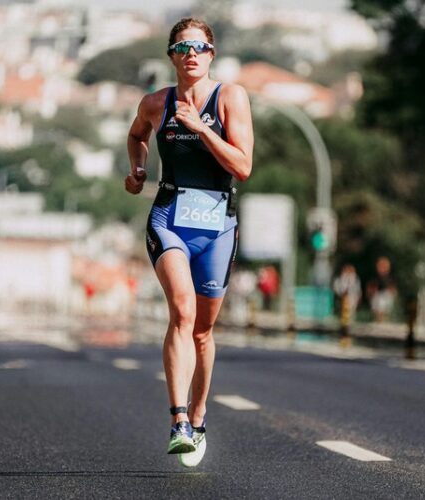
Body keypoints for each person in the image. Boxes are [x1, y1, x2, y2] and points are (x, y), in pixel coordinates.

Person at [124, 17, 254, 467]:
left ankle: (199, 417)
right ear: (172, 56)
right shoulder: (156, 103)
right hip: (170, 217)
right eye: (182, 48)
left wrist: (202, 129)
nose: (191, 55)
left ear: (211, 54)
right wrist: (138, 169)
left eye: (199, 47)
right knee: (182, 311)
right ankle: (178, 420)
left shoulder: (231, 97)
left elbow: (243, 166)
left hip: (218, 224)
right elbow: (136, 135)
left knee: (202, 330)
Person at [366, 256, 397, 322]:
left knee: (384, 301)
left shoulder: (391, 278)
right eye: (380, 266)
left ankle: (384, 320)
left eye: (384, 266)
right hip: (376, 299)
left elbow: (393, 291)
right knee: (379, 302)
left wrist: (391, 292)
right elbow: (369, 290)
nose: (382, 268)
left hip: (387, 299)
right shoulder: (373, 276)